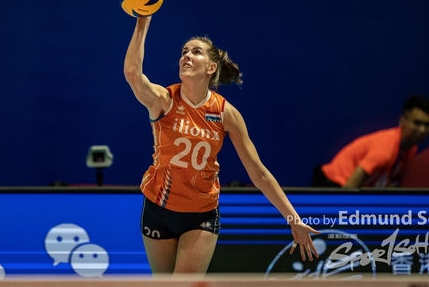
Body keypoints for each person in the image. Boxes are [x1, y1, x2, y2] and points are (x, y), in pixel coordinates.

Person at [123, 16, 319, 274]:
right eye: (184, 52)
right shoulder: (164, 100)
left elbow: (258, 173)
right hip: (159, 207)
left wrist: (293, 219)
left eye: (196, 52)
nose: (187, 56)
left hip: (201, 213)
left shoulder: (226, 113)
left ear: (211, 67)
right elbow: (133, 75)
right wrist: (143, 20)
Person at [312, 95, 429, 188]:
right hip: (332, 184)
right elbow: (349, 189)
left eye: (427, 125)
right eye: (417, 123)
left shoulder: (410, 149)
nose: (422, 130)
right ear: (402, 121)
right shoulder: (385, 150)